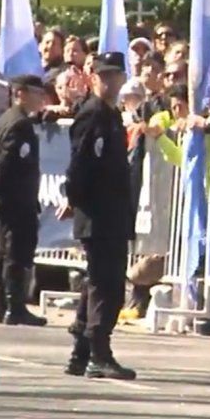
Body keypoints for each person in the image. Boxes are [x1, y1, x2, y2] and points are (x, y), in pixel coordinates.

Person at [59, 52, 136, 380]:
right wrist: (75, 198)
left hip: (112, 211)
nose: (109, 82)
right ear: (94, 79)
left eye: (115, 76)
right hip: (99, 212)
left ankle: (82, 351)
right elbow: (80, 162)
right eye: (103, 76)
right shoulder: (92, 114)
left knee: (98, 282)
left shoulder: (111, 114)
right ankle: (99, 353)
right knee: (107, 285)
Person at [0, 75, 48, 326]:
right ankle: (13, 306)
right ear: (20, 93)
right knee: (15, 252)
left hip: (8, 197)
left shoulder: (7, 119)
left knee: (2, 250)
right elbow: (6, 160)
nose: (41, 98)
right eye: (36, 92)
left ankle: (1, 305)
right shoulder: (19, 124)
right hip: (16, 197)